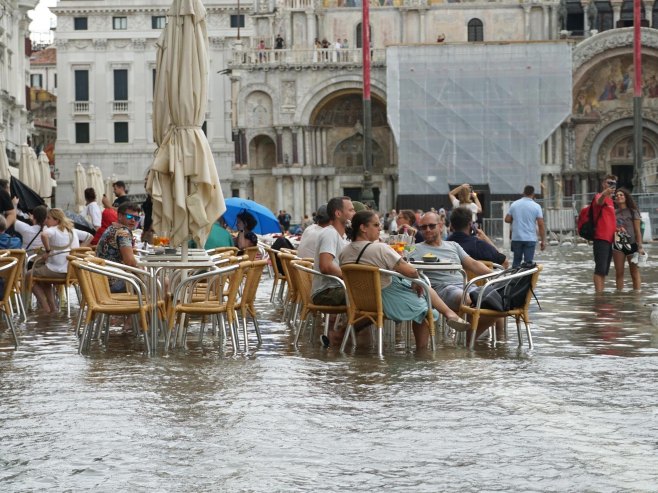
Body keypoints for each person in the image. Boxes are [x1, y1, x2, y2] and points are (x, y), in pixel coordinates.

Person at [339, 210, 469, 350]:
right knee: (427, 310)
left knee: (420, 285)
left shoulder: (344, 252)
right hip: (385, 299)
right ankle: (422, 352)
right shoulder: (380, 248)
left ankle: (449, 313)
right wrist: (415, 279)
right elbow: (411, 271)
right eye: (376, 225)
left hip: (360, 301)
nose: (380, 228)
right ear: (363, 228)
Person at [410, 212, 500, 341]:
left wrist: (497, 275)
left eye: (431, 226)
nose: (427, 230)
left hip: (465, 285)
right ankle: (467, 342)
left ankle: (468, 340)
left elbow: (473, 264)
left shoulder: (453, 246)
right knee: (470, 300)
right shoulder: (415, 249)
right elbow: (402, 266)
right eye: (423, 227)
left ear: (440, 226)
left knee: (497, 302)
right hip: (441, 289)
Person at [26, 208, 80, 313]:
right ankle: (53, 308)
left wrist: (47, 251)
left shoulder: (53, 230)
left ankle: (46, 308)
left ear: (57, 220)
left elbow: (44, 235)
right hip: (72, 271)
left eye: (48, 218)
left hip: (58, 271)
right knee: (43, 278)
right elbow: (89, 236)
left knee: (28, 275)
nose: (45, 220)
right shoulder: (71, 230)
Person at [95, 202, 142, 292]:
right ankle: (155, 306)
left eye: (136, 218)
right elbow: (130, 263)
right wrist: (145, 271)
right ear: (120, 216)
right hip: (114, 282)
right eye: (129, 217)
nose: (133, 220)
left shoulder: (111, 228)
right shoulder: (123, 232)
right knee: (162, 282)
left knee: (153, 280)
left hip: (102, 280)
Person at [588, 175, 618, 293]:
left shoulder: (611, 201)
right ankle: (599, 295)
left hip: (610, 239)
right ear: (603, 184)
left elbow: (610, 220)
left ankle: (601, 292)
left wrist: (617, 229)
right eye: (609, 182)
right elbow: (599, 202)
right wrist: (605, 193)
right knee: (600, 269)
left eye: (614, 183)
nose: (612, 185)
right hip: (601, 237)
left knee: (604, 270)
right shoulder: (600, 196)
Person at [504, 185, 545, 267]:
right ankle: (526, 279)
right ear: (533, 194)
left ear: (523, 193)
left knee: (516, 261)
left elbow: (507, 219)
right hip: (530, 238)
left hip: (516, 238)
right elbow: (541, 225)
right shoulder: (536, 206)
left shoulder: (514, 204)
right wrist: (543, 241)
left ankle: (515, 278)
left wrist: (516, 219)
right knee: (528, 263)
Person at [613, 188, 644, 291]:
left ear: (626, 197)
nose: (619, 196)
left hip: (632, 244)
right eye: (617, 195)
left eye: (621, 195)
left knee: (634, 272)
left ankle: (636, 297)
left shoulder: (633, 212)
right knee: (619, 272)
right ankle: (619, 296)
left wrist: (640, 247)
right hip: (618, 244)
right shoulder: (613, 212)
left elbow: (637, 231)